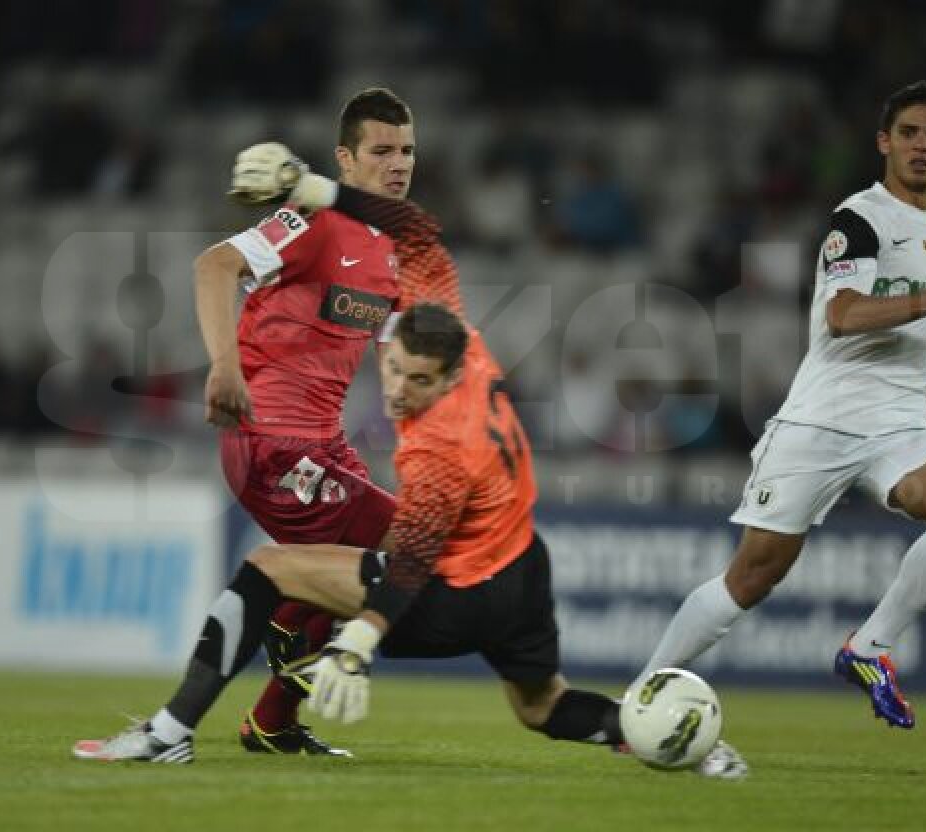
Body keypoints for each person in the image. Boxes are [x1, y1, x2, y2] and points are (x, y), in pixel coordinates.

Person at [72, 304, 630, 765]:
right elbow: (421, 254)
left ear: (451, 378)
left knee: (268, 568)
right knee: (542, 708)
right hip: (522, 574)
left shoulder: (437, 448)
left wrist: (359, 640)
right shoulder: (473, 359)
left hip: (457, 596)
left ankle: (169, 733)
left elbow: (413, 559)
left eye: (420, 381)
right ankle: (646, 729)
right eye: (395, 369)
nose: (400, 390)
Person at [631, 81, 926, 735]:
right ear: (884, 143)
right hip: (822, 419)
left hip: (899, 421)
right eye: (909, 133)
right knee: (753, 577)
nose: (921, 145)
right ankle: (638, 700)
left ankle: (868, 649)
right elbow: (843, 315)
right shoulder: (857, 219)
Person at [191, 87, 417, 757]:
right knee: (403, 548)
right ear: (345, 159)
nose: (398, 163)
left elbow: (403, 359)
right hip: (267, 439)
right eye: (381, 150)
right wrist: (224, 366)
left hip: (324, 444)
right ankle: (285, 630)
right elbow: (215, 265)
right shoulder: (315, 220)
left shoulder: (393, 249)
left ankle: (274, 716)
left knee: (363, 568)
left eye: (407, 151)